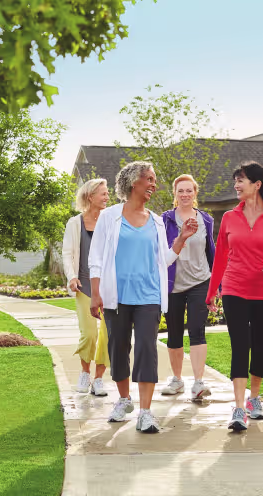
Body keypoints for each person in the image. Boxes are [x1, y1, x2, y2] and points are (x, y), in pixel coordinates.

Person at [89, 161, 197, 434]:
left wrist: (182, 239)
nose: (153, 184)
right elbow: (96, 258)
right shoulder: (109, 216)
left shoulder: (158, 221)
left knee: (147, 347)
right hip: (117, 296)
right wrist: (95, 293)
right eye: (149, 179)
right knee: (118, 347)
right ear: (133, 182)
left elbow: (164, 260)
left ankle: (146, 412)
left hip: (149, 295)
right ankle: (124, 400)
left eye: (154, 179)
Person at [205, 161, 263, 432]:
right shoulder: (231, 217)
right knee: (240, 345)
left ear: (257, 185)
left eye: (241, 180)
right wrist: (212, 292)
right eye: (235, 181)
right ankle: (239, 408)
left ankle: (254, 399)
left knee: (262, 344)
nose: (236, 185)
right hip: (234, 288)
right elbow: (220, 256)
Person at [160, 174, 216, 401]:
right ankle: (177, 380)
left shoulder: (206, 220)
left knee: (196, 329)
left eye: (189, 191)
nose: (185, 195)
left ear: (195, 193)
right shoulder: (164, 220)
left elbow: (211, 252)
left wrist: (216, 286)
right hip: (173, 285)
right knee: (174, 333)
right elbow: (161, 253)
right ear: (175, 194)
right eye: (180, 191)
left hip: (200, 282)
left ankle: (198, 382)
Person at [62, 178, 111, 396]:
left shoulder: (110, 222)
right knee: (89, 334)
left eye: (107, 192)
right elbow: (67, 253)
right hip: (84, 286)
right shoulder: (75, 223)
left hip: (109, 288)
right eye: (103, 193)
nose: (107, 196)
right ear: (90, 196)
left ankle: (99, 379)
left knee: (108, 335)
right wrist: (71, 276)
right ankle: (84, 372)